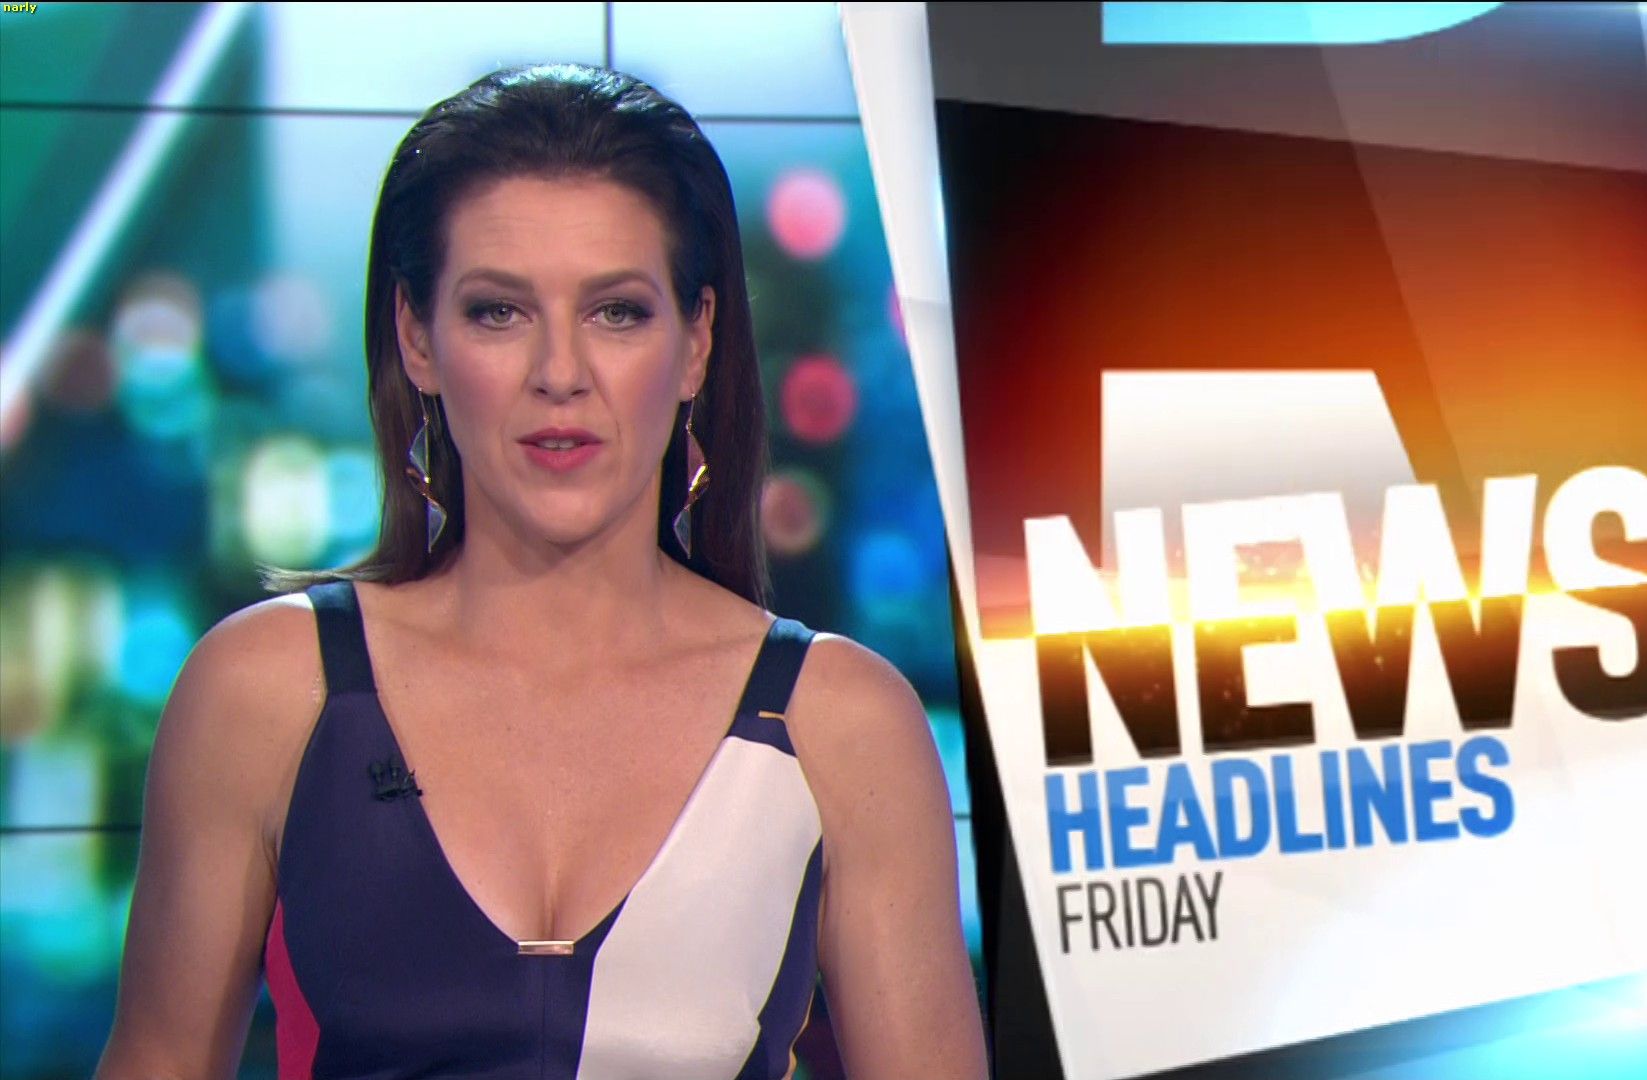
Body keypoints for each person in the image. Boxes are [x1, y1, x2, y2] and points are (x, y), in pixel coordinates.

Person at [95, 63, 987, 1079]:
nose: (560, 374)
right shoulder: (266, 695)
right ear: (416, 338)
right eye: (498, 312)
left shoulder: (840, 726)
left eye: (616, 312)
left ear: (696, 343)